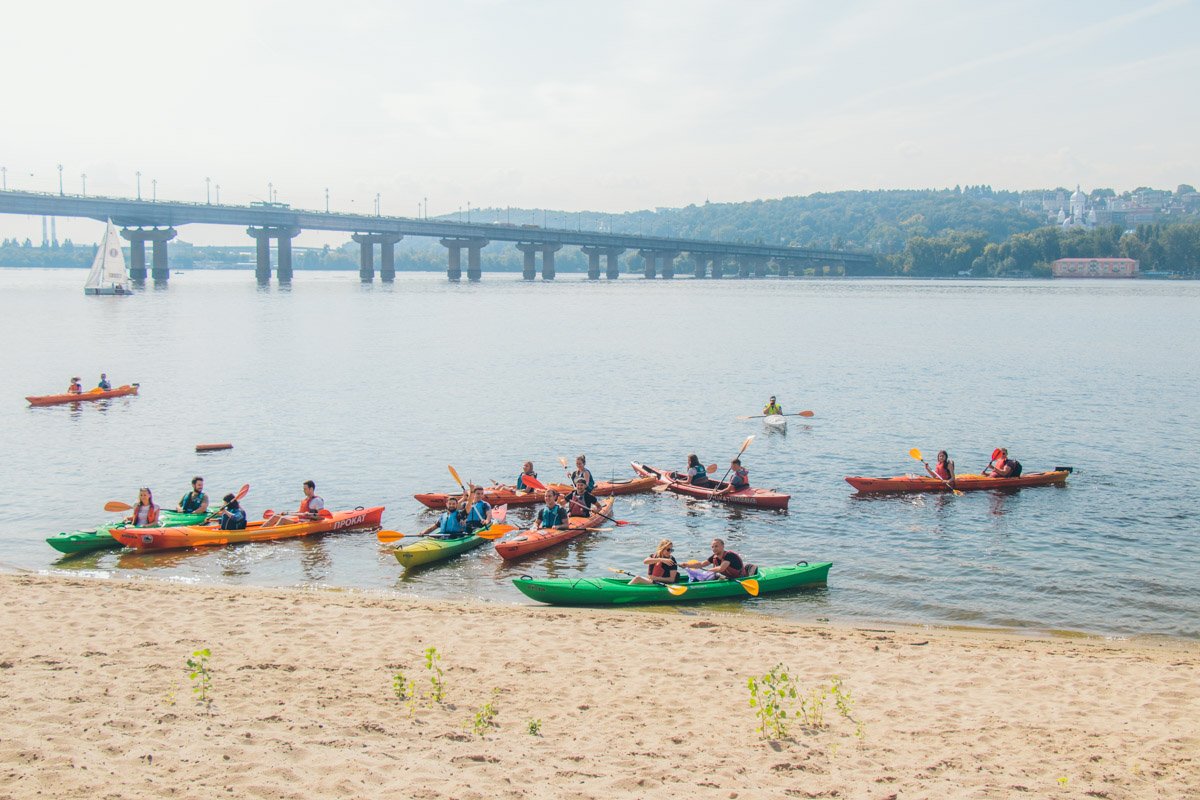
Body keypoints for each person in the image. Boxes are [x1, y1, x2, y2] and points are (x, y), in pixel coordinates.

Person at [688, 538, 755, 581]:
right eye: (712, 547)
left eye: (716, 546)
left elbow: (721, 568)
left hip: (741, 577)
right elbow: (701, 564)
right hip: (729, 577)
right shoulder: (714, 557)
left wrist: (708, 571)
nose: (714, 549)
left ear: (723, 546)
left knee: (711, 575)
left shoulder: (729, 555)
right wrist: (687, 565)